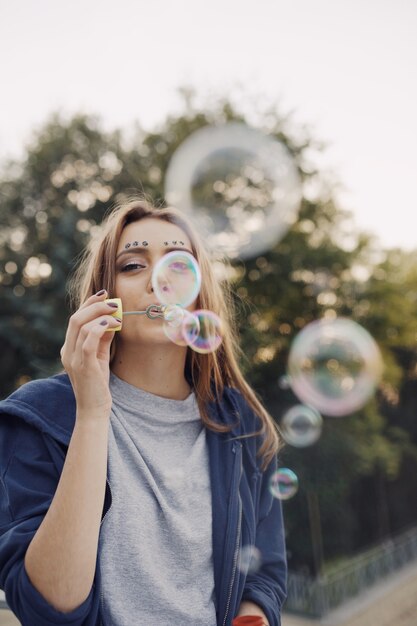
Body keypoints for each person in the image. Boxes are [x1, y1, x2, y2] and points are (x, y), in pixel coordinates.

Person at [0, 198, 287, 626]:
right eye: (133, 266)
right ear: (105, 294)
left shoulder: (242, 423)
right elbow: (50, 604)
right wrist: (92, 412)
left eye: (178, 264)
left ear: (199, 294)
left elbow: (263, 569)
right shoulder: (38, 416)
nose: (158, 280)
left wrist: (253, 614)